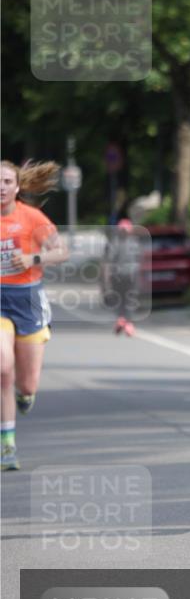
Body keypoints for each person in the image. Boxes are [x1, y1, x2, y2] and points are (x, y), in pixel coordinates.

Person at [0, 160, 68, 470]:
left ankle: (25, 397)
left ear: (17, 187)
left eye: (6, 182)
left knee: (27, 385)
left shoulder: (32, 217)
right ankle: (7, 445)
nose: (1, 187)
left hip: (27, 299)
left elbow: (61, 251)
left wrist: (31, 257)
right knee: (3, 366)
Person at [105, 218, 140, 336]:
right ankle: (128, 323)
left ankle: (121, 319)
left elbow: (109, 261)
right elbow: (139, 260)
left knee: (119, 299)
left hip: (117, 276)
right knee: (129, 300)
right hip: (131, 275)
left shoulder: (114, 242)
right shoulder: (135, 242)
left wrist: (107, 277)